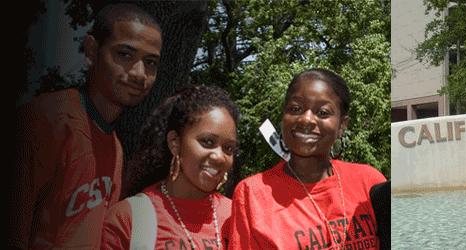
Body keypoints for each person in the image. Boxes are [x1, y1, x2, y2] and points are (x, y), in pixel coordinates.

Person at [13, 3, 162, 249]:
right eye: (125, 54)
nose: (139, 73)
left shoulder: (115, 148)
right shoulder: (44, 121)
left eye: (150, 62)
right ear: (92, 50)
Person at [227, 69, 388, 249]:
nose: (306, 119)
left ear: (342, 125)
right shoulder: (252, 195)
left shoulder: (368, 181)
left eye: (323, 112)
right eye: (296, 108)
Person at [101, 85, 239, 250]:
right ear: (175, 142)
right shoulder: (129, 219)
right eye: (207, 142)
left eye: (228, 149)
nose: (219, 156)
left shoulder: (238, 217)